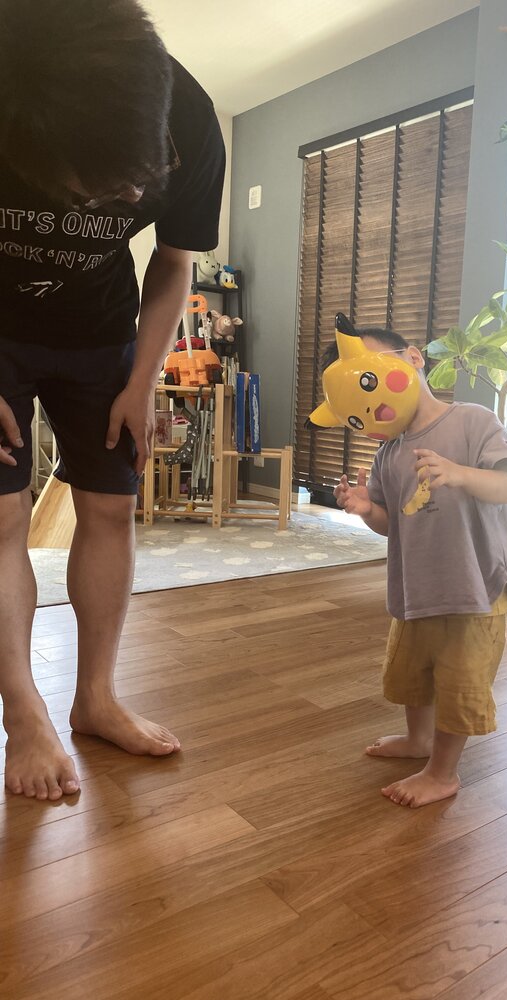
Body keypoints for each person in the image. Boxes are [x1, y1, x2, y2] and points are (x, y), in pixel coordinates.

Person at [0, 0, 225, 800]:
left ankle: (94, 699)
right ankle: (22, 712)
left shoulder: (190, 119)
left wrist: (140, 381)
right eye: (95, 189)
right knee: (3, 518)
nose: (126, 195)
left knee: (110, 505)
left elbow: (173, 260)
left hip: (99, 333)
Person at [330, 327, 507, 808]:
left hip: (476, 585)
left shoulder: (474, 420)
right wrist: (367, 509)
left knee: (461, 679)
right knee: (412, 671)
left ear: (414, 359)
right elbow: (392, 523)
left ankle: (443, 773)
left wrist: (459, 473)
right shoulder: (388, 452)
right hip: (418, 586)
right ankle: (418, 740)